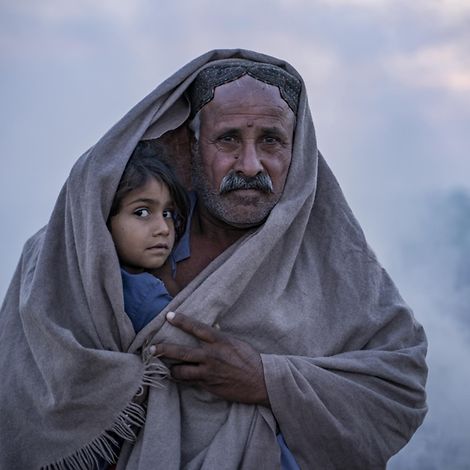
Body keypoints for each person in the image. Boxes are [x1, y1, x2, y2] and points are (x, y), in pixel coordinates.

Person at [0, 49, 427, 470]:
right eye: (228, 139)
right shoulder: (94, 246)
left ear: (297, 154)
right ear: (190, 147)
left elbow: (400, 387)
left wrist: (265, 379)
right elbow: (26, 379)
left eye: (271, 141)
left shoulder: (335, 262)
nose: (250, 164)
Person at [108, 150, 189, 333]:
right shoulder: (146, 296)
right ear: (104, 218)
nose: (164, 228)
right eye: (142, 212)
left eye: (167, 213)